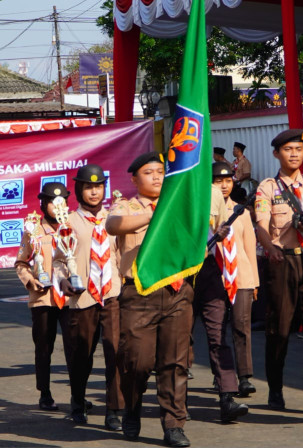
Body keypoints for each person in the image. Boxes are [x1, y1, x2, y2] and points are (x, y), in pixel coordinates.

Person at [106, 152, 193, 447]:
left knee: (175, 362)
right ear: (134, 179)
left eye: (160, 171)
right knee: (137, 361)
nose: (156, 176)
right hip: (138, 293)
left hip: (176, 292)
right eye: (148, 172)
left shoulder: (178, 206)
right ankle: (132, 407)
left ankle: (173, 424)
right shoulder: (126, 206)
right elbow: (113, 225)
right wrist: (152, 215)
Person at [254, 129, 303, 413]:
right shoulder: (268, 187)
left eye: (298, 149)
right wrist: (269, 247)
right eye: (288, 149)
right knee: (279, 330)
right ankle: (275, 389)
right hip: (282, 262)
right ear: (276, 154)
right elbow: (260, 224)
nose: (295, 154)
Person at [58, 164, 124, 428]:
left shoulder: (114, 218)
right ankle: (77, 400)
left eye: (98, 186)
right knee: (81, 354)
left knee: (115, 351)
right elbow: (59, 260)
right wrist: (64, 283)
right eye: (88, 187)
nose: (94, 192)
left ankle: (113, 411)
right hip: (83, 298)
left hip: (112, 294)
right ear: (79, 190)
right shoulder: (69, 222)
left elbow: (121, 252)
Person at [190, 166, 250, 422]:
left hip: (210, 270)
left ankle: (227, 397)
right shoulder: (176, 191)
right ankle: (176, 399)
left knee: (218, 335)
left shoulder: (213, 194)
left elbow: (218, 227)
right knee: (181, 338)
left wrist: (220, 233)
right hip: (181, 272)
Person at [15, 182, 70, 413]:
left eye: (62, 201)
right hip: (43, 298)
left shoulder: (73, 226)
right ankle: (45, 394)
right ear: (43, 204)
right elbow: (21, 262)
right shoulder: (33, 230)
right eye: (51, 202)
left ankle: (78, 394)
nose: (57, 206)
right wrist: (30, 280)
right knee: (44, 347)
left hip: (71, 298)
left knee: (77, 347)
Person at [212, 162, 260, 397]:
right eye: (218, 181)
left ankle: (244, 376)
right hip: (213, 277)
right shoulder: (203, 212)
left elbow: (250, 248)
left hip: (241, 276)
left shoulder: (241, 211)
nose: (223, 185)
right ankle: (220, 375)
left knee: (241, 327)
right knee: (217, 330)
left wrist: (255, 282)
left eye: (228, 181)